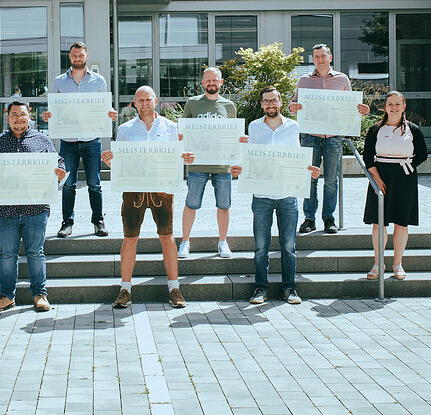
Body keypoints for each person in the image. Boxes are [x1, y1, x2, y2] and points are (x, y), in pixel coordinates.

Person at [102, 86, 194, 309]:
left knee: (167, 237)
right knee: (130, 238)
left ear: (156, 101)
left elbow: (181, 156)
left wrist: (187, 158)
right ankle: (125, 289)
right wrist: (110, 162)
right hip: (133, 189)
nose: (144, 103)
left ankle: (174, 287)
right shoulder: (124, 130)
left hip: (162, 188)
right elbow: (121, 163)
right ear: (134, 103)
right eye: (140, 100)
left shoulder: (172, 128)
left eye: (148, 99)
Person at [230, 86, 320, 305]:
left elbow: (296, 156)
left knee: (289, 247)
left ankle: (290, 289)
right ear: (261, 104)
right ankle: (261, 288)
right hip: (261, 195)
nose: (270, 104)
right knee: (261, 246)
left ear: (280, 102)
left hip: (287, 195)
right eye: (266, 101)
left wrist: (309, 170)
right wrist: (239, 168)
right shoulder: (254, 127)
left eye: (274, 100)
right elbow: (249, 157)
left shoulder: (292, 126)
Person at [0, 100, 66, 313]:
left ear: (30, 117)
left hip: (35, 208)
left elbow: (59, 163)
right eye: (14, 115)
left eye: (22, 115)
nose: (18, 118)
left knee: (36, 252)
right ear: (8, 118)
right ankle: (7, 296)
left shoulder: (43, 140)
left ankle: (39, 294)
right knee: (8, 254)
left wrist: (60, 172)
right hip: (5, 209)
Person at [289, 44, 369, 234]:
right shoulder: (304, 80)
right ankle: (309, 219)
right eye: (316, 56)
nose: (320, 59)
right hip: (310, 136)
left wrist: (361, 111)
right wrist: (293, 108)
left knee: (331, 180)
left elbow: (351, 107)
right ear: (313, 59)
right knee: (310, 179)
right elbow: (293, 104)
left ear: (330, 57)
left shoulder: (342, 79)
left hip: (333, 137)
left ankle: (328, 218)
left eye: (323, 56)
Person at [42, 41, 117, 238]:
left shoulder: (99, 80)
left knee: (95, 182)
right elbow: (53, 109)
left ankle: (98, 221)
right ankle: (67, 222)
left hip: (92, 139)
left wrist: (110, 114)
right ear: (70, 57)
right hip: (68, 140)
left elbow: (105, 108)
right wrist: (49, 116)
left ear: (87, 55)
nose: (77, 58)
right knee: (68, 183)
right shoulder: (59, 81)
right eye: (74, 55)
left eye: (80, 55)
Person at [362, 91, 427, 280]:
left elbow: (422, 153)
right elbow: (367, 157)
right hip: (380, 178)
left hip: (404, 179)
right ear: (385, 107)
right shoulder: (375, 129)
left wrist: (409, 166)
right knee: (378, 222)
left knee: (401, 222)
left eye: (398, 104)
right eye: (390, 104)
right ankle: (377, 264)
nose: (394, 107)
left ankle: (397, 264)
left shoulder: (413, 129)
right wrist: (377, 179)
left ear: (404, 106)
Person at [179, 67, 237, 259]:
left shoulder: (229, 106)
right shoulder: (193, 103)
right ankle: (185, 242)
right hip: (198, 164)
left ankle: (223, 242)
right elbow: (183, 132)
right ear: (202, 82)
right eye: (208, 80)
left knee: (224, 205)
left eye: (215, 80)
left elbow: (232, 136)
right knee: (191, 204)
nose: (211, 83)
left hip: (222, 165)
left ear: (221, 83)